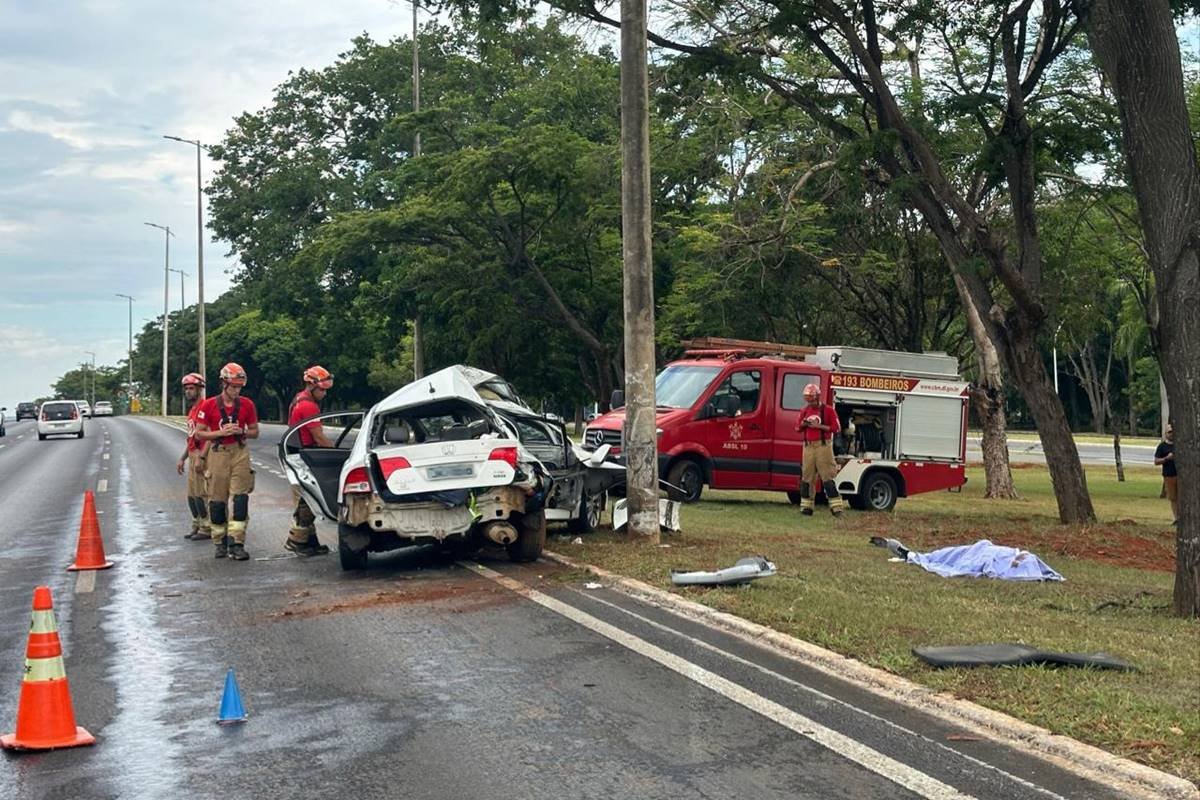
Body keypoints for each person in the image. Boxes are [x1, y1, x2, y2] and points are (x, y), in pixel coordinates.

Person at [194, 363, 259, 561]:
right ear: (224, 384)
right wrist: (220, 433)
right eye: (233, 387)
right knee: (217, 500)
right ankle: (219, 541)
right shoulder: (209, 405)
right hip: (218, 454)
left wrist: (243, 431)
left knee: (240, 498)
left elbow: (255, 431)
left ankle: (237, 542)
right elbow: (199, 432)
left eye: (240, 387)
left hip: (239, 452)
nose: (237, 391)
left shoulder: (247, 404)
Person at [285, 365, 335, 557]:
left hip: (297, 452)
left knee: (307, 497)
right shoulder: (308, 405)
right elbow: (319, 437)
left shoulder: (299, 399)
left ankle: (310, 542)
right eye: (321, 389)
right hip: (304, 454)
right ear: (310, 385)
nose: (324, 393)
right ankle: (296, 540)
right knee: (308, 498)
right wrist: (338, 453)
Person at [796, 382, 845, 516]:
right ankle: (807, 507)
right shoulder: (804, 411)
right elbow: (797, 428)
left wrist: (819, 426)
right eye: (808, 400)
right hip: (808, 447)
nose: (810, 403)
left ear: (817, 397)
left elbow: (836, 428)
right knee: (807, 478)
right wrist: (804, 425)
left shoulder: (828, 411)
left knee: (828, 478)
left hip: (823, 446)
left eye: (811, 400)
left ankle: (836, 509)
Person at [176, 372, 210, 541]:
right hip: (192, 452)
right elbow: (191, 437)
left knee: (201, 494)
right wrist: (183, 458)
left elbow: (210, 435)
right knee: (192, 496)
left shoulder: (205, 408)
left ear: (200, 389)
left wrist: (201, 458)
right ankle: (196, 524)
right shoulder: (192, 410)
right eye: (186, 389)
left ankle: (206, 527)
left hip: (202, 454)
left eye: (191, 388)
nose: (188, 392)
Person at [1155, 423, 1177, 525]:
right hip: (1169, 475)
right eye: (1169, 432)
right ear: (1165, 433)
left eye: (1173, 432)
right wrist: (1166, 458)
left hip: (1181, 475)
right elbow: (1156, 461)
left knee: (1182, 497)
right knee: (1173, 498)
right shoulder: (1162, 446)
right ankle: (1177, 518)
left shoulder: (1180, 445)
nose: (1172, 434)